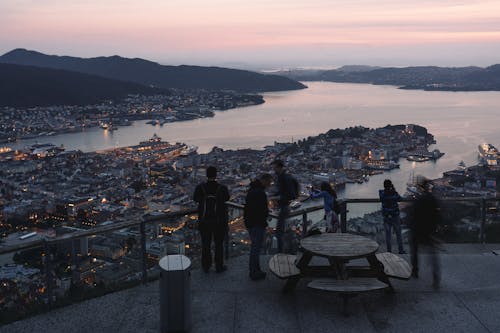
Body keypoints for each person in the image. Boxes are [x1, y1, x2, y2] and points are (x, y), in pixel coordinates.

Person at [193, 166, 230, 273]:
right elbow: (227, 198)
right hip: (219, 221)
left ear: (206, 175)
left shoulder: (200, 187)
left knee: (206, 245)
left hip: (204, 221)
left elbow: (195, 199)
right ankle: (219, 266)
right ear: (216, 175)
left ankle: (206, 266)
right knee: (219, 245)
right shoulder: (222, 188)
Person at [408, 175, 441, 289]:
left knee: (415, 251)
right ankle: (436, 276)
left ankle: (415, 271)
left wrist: (411, 225)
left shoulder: (419, 199)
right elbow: (437, 214)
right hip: (429, 230)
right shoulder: (432, 199)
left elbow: (414, 214)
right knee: (432, 255)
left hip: (418, 229)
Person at [244, 173, 274, 280]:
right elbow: (260, 210)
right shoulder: (260, 193)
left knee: (255, 248)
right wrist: (265, 219)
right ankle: (254, 272)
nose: (269, 185)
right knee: (256, 248)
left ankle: (256, 270)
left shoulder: (252, 189)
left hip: (250, 222)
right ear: (264, 181)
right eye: (269, 183)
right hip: (257, 223)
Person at [271, 159, 296, 253]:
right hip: (282, 207)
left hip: (284, 207)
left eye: (274, 167)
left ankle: (282, 252)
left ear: (278, 167)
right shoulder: (281, 177)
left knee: (280, 232)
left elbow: (291, 194)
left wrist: (278, 197)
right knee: (281, 232)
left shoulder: (285, 178)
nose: (273, 169)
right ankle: (283, 252)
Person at [379, 179, 405, 254]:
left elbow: (381, 197)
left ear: (384, 186)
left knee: (388, 235)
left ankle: (389, 251)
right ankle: (400, 250)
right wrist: (393, 189)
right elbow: (400, 199)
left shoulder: (382, 193)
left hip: (386, 217)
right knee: (398, 234)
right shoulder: (394, 193)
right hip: (395, 216)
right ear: (390, 185)